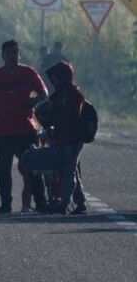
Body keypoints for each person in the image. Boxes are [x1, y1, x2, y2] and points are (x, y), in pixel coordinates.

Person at [0, 40, 48, 213]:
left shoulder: (29, 73)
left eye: (15, 52)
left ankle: (41, 202)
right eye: (9, 53)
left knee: (32, 168)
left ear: (20, 54)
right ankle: (6, 204)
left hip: (26, 128)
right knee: (4, 170)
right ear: (3, 55)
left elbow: (44, 94)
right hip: (2, 130)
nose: (12, 56)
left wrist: (32, 101)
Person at [39, 61, 87, 214]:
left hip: (73, 138)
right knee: (70, 170)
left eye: (55, 77)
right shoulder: (58, 95)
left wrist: (56, 113)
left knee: (68, 171)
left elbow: (72, 116)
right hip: (60, 137)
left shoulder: (74, 94)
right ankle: (80, 202)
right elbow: (44, 112)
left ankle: (64, 203)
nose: (53, 81)